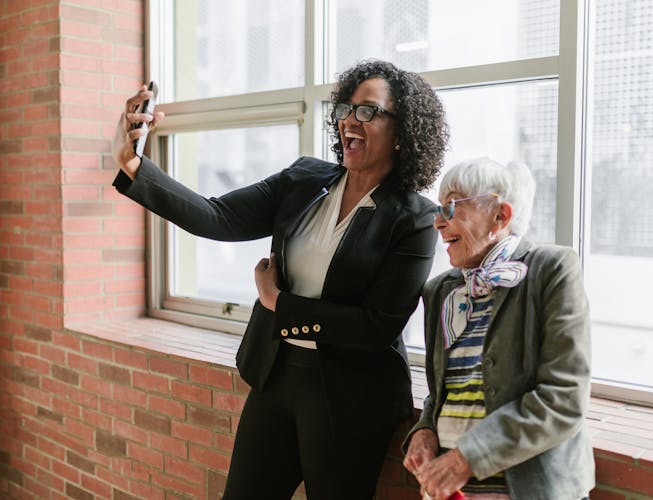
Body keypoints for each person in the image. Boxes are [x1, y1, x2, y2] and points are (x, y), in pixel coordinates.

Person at [111, 59, 449, 499]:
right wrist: (134, 164)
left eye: (367, 111)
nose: (350, 119)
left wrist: (277, 303)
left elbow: (375, 327)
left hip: (351, 396)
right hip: (278, 376)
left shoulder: (417, 220)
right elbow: (220, 217)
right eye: (346, 108)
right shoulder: (306, 178)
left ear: (403, 133)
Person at [403, 158, 595, 500]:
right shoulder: (441, 291)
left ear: (500, 216)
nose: (437, 222)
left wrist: (468, 458)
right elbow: (447, 390)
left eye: (450, 207)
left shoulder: (552, 271)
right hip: (455, 491)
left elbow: (564, 398)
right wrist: (426, 429)